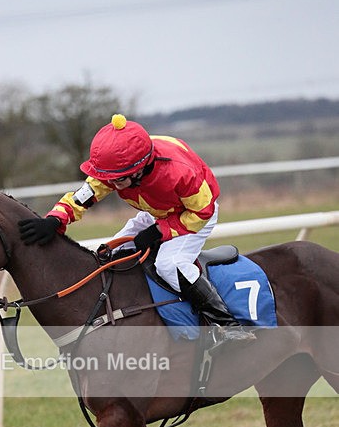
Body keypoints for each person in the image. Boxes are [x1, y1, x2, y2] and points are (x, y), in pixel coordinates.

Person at [18, 114, 254, 343]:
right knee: (110, 254)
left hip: (195, 215)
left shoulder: (178, 172)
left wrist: (159, 231)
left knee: (169, 264)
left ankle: (225, 324)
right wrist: (55, 220)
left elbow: (202, 212)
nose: (111, 184)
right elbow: (83, 197)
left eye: (118, 180)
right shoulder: (116, 168)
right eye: (108, 179)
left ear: (141, 169)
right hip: (158, 211)